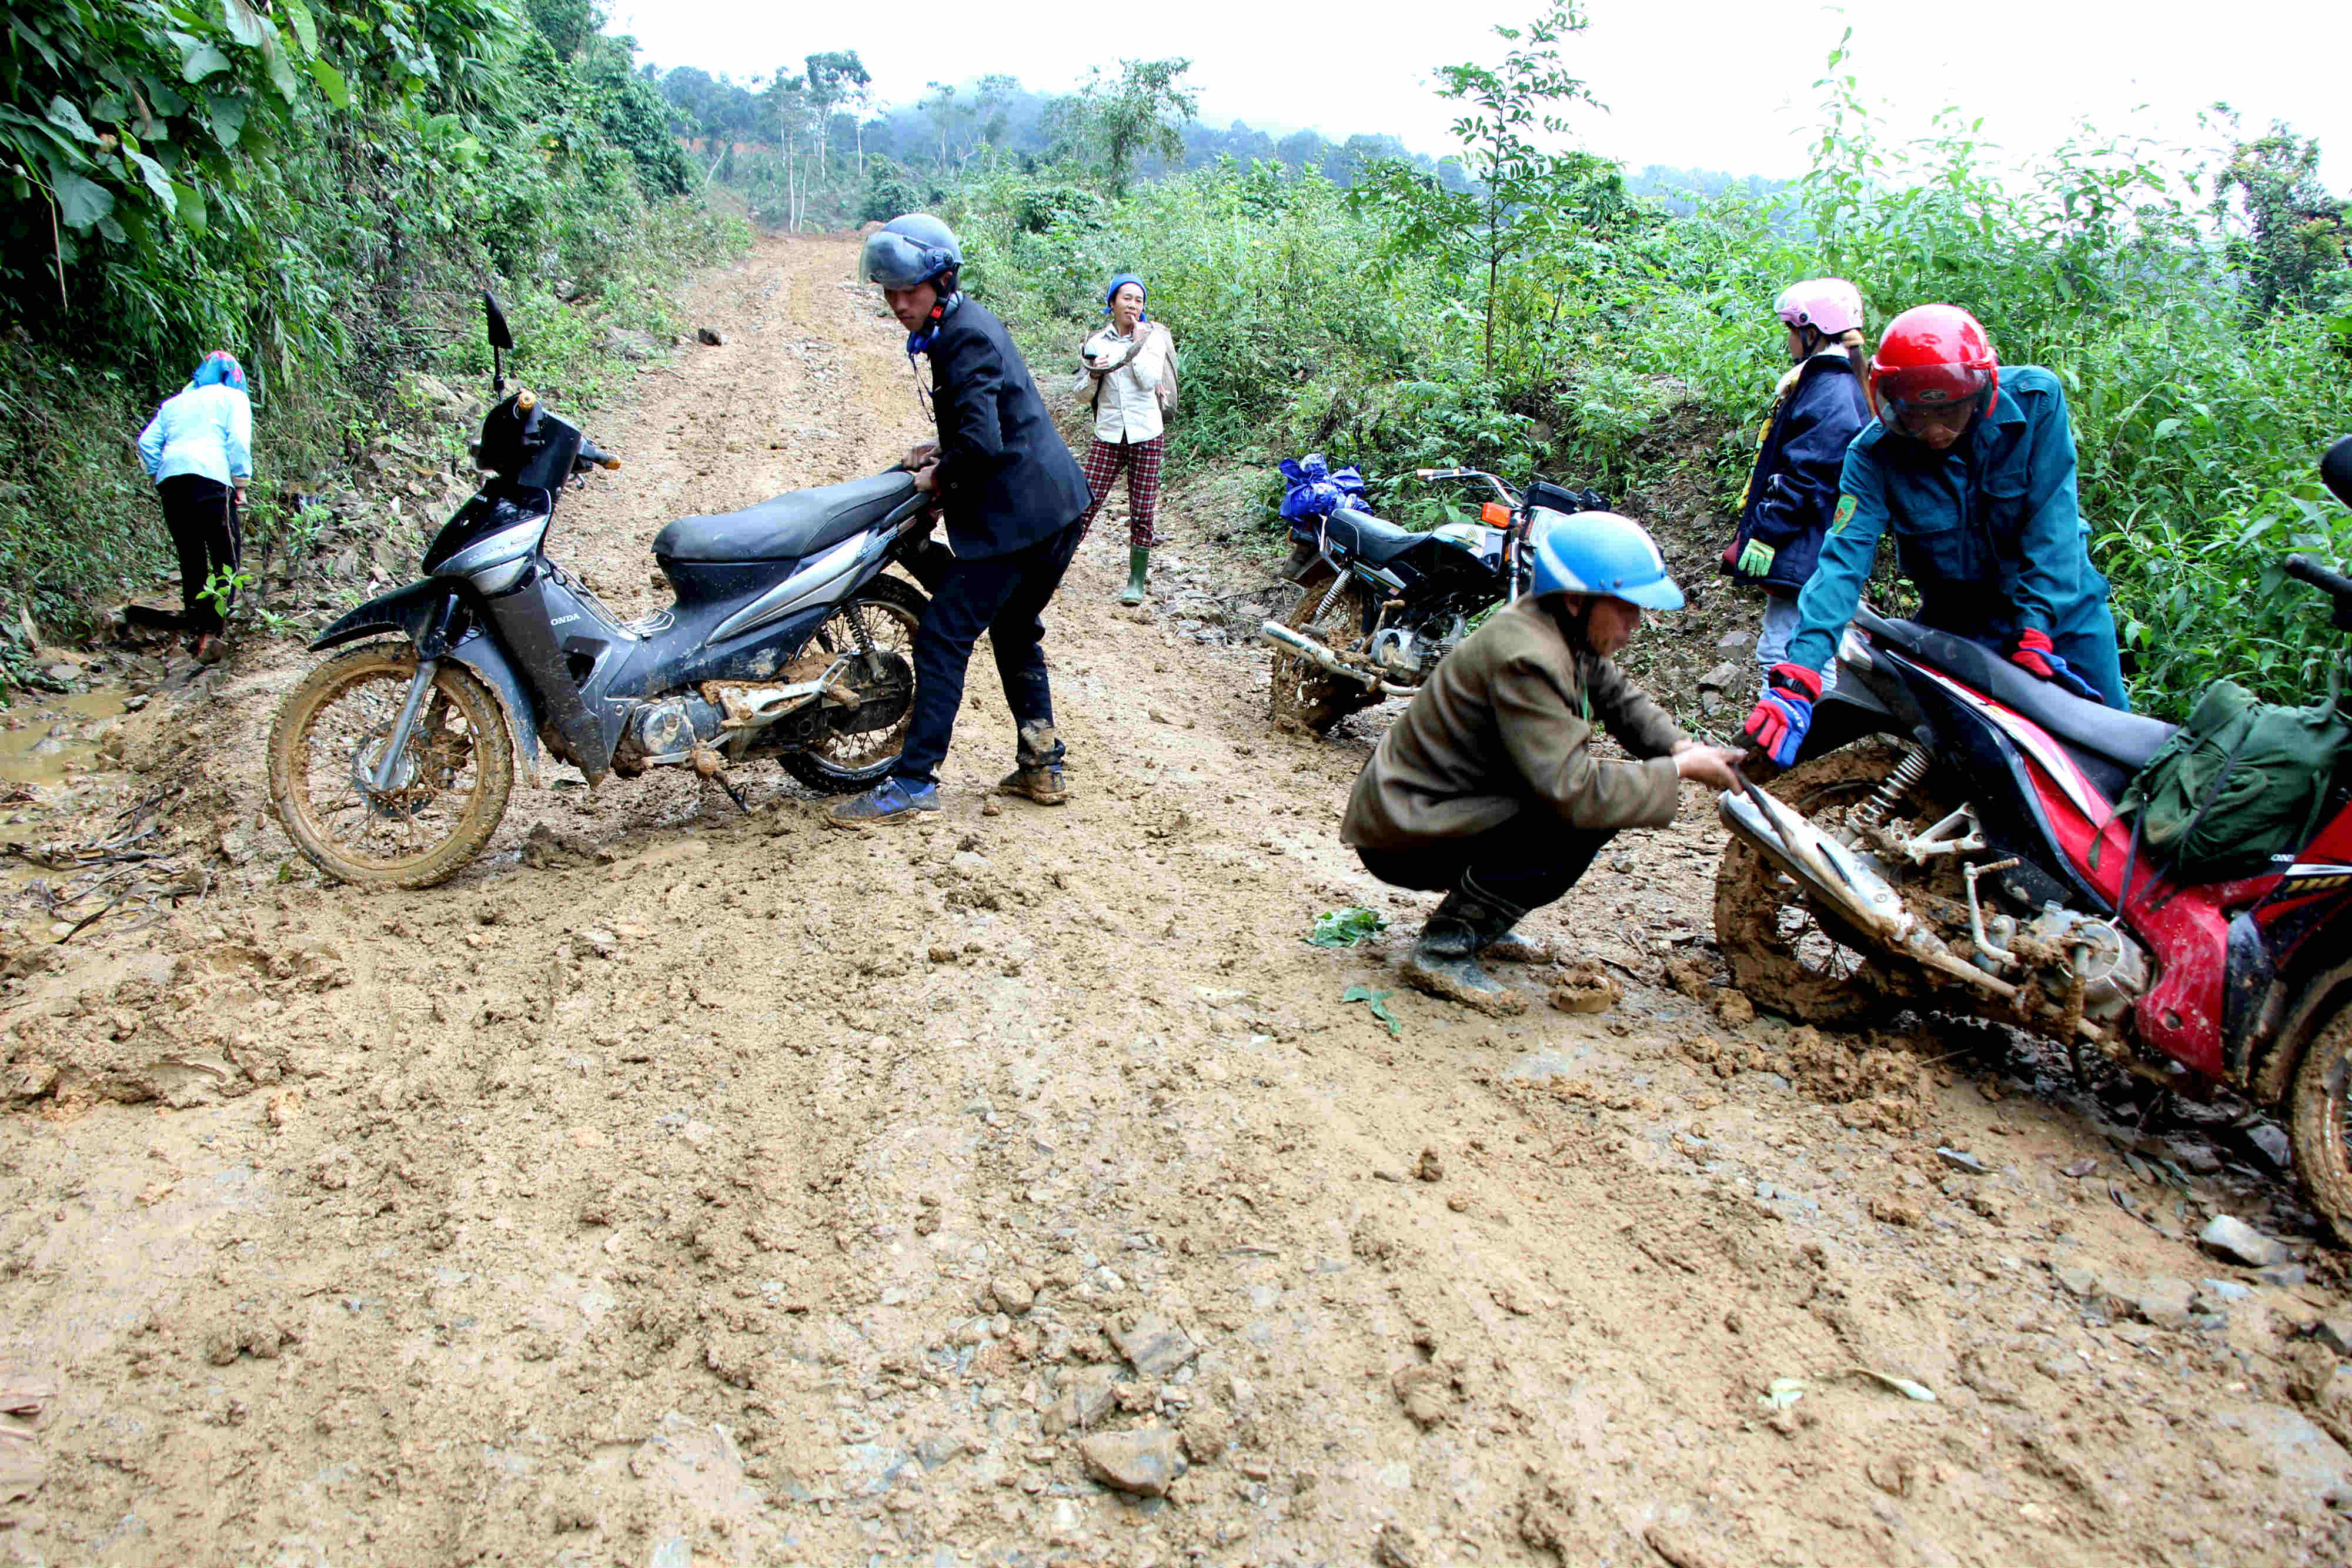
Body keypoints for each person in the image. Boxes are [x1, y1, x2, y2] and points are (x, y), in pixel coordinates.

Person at [1341, 513, 1746, 1014]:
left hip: (1433, 806)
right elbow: (1572, 790)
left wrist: (1680, 749)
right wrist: (1679, 773)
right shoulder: (1528, 656)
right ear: (1578, 599)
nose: (1635, 624)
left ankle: (1482, 917)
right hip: (1402, 828)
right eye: (1625, 609)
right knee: (1575, 820)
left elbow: (1618, 697)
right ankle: (1445, 945)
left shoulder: (1559, 627)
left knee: (1585, 804)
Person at [1744, 303, 2129, 767]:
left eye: (1948, 412)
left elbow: (2054, 527)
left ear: (1977, 392)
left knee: (2111, 755)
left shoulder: (2036, 404)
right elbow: (1841, 563)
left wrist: (2039, 628)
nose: (1933, 431)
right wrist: (1802, 669)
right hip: (1961, 626)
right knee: (1972, 770)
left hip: (2064, 614)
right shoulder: (1873, 454)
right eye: (1915, 415)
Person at [829, 214, 1094, 828]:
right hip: (1056, 511)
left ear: (942, 282)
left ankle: (913, 781)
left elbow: (983, 444)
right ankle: (1041, 762)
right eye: (890, 293)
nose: (899, 303)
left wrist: (939, 476)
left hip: (1018, 519)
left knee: (943, 633)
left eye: (910, 292)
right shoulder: (965, 322)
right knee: (1014, 626)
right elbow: (989, 416)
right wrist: (938, 445)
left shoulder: (961, 338)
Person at [1724, 278, 1870, 695]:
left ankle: (1790, 753)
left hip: (1804, 545)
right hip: (1806, 545)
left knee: (1783, 654)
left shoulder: (1830, 392)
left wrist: (1767, 534)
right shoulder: (1828, 386)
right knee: (1803, 653)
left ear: (1812, 332)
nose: (1789, 340)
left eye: (1792, 330)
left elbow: (1807, 475)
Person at [136, 351, 253, 664]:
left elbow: (147, 443)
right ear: (234, 376)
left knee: (191, 558)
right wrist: (240, 483)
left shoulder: (174, 404)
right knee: (226, 555)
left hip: (172, 481)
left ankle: (196, 631)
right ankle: (213, 634)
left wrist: (162, 472)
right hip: (212, 478)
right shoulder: (233, 398)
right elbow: (238, 441)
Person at [1073, 273, 1171, 605]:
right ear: (1112, 302)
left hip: (1146, 433)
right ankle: (1054, 565)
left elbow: (1147, 381)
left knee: (1143, 510)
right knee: (1086, 502)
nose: (1133, 305)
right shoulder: (1096, 342)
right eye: (1126, 298)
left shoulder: (1152, 338)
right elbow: (1081, 396)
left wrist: (1138, 342)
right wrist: (1094, 373)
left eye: (1139, 300)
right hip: (1109, 433)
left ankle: (1136, 580)